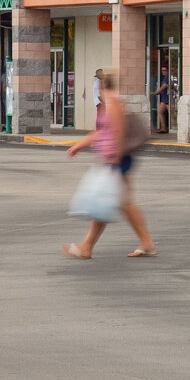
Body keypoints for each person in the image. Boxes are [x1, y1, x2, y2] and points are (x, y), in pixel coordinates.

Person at [64, 68, 155, 259]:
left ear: (101, 85)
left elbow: (118, 131)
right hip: (111, 158)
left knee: (114, 202)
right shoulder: (107, 103)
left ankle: (87, 247)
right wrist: (80, 145)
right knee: (113, 202)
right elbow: (101, 132)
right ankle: (89, 247)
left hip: (116, 159)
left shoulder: (113, 101)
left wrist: (114, 157)